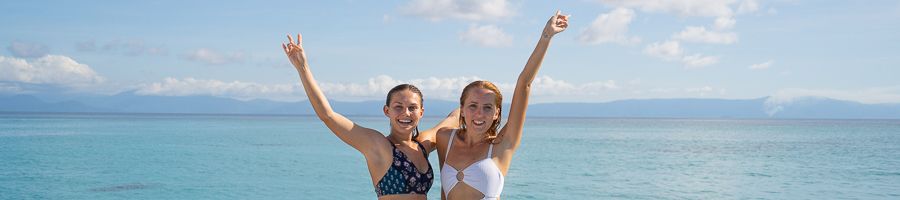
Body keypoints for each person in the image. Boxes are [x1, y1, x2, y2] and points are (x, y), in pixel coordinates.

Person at [282, 33, 459, 199]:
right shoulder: (378, 144)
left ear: (421, 112)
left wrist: (484, 98)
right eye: (398, 107)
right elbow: (328, 115)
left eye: (412, 107)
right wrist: (302, 67)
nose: (406, 113)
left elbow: (454, 117)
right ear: (386, 111)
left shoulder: (423, 144)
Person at [434, 10, 569, 200]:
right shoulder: (445, 139)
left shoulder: (503, 144)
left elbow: (524, 84)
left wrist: (546, 37)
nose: (480, 114)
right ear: (462, 110)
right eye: (473, 106)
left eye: (487, 108)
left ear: (497, 114)